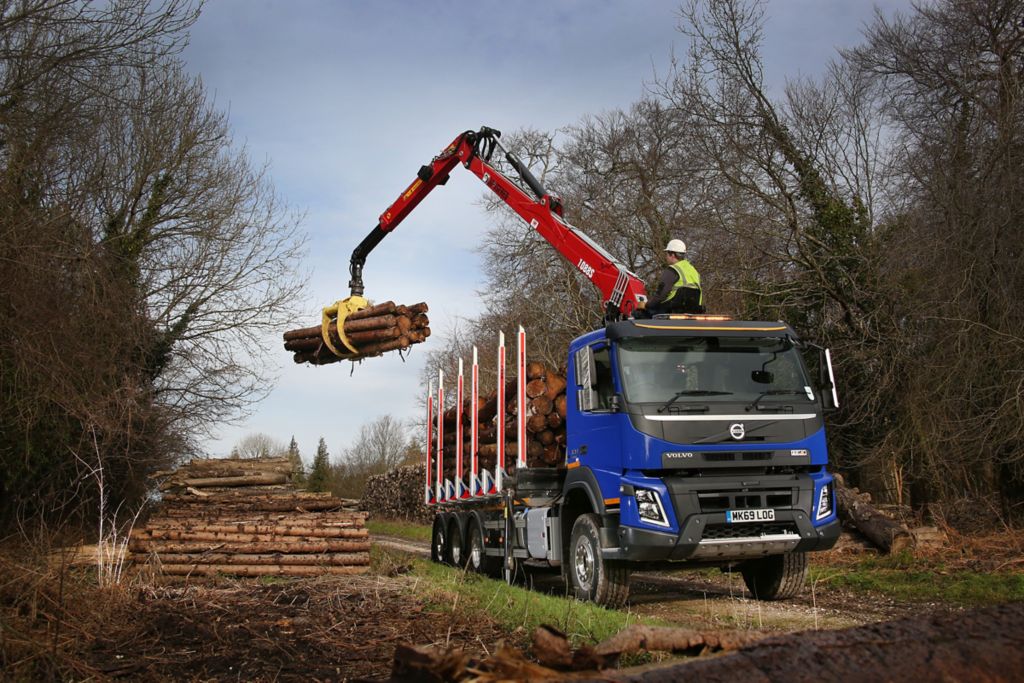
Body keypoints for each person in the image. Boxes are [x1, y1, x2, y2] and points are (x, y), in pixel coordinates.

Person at [645, 238, 703, 315]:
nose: (666, 257)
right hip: (693, 310)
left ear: (672, 255)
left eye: (667, 254)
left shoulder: (672, 270)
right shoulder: (693, 270)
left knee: (642, 313)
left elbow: (661, 294)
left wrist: (647, 305)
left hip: (672, 309)